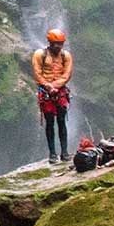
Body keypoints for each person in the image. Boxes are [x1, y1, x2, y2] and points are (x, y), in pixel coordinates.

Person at [30, 28, 74, 159]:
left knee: (61, 121)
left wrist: (54, 86)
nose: (58, 46)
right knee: (49, 123)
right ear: (50, 42)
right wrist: (48, 86)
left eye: (60, 43)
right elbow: (37, 74)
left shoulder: (66, 56)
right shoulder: (40, 54)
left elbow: (67, 74)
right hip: (46, 92)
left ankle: (64, 152)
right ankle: (52, 153)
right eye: (56, 43)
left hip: (60, 91)